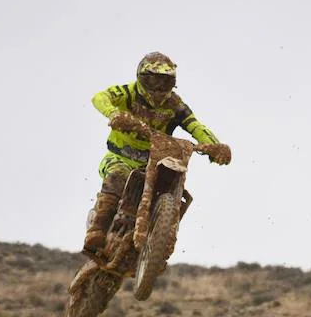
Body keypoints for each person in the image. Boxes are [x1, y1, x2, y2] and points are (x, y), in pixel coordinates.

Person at [83, 51, 232, 254]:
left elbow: (195, 126)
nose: (158, 87)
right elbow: (100, 97)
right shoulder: (128, 92)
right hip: (120, 156)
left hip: (155, 161)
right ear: (141, 77)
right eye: (152, 80)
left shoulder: (175, 105)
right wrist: (114, 113)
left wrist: (215, 146)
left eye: (165, 82)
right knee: (118, 175)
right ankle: (97, 229)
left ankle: (161, 240)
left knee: (171, 185)